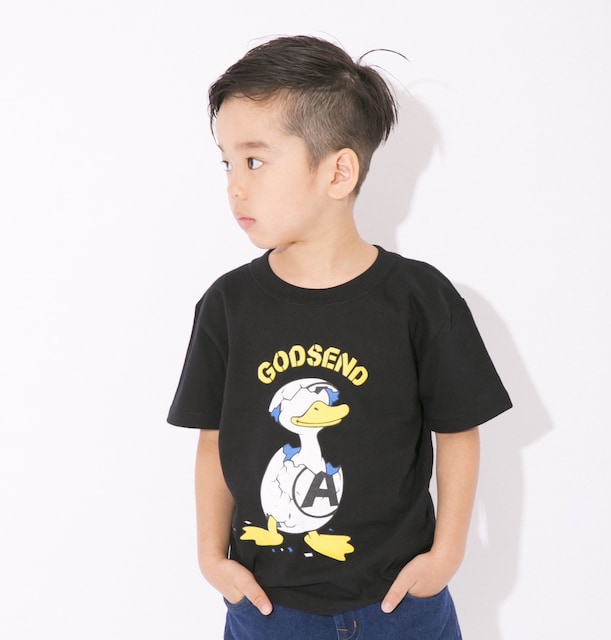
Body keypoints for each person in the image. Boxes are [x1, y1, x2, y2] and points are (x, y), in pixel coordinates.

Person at [167, 35, 512, 640]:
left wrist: (446, 554)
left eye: (254, 161)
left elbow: (459, 429)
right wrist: (210, 556)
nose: (235, 186)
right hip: (268, 609)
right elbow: (213, 438)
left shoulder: (420, 299)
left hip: (400, 605)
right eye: (226, 163)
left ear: (338, 171)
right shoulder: (228, 306)